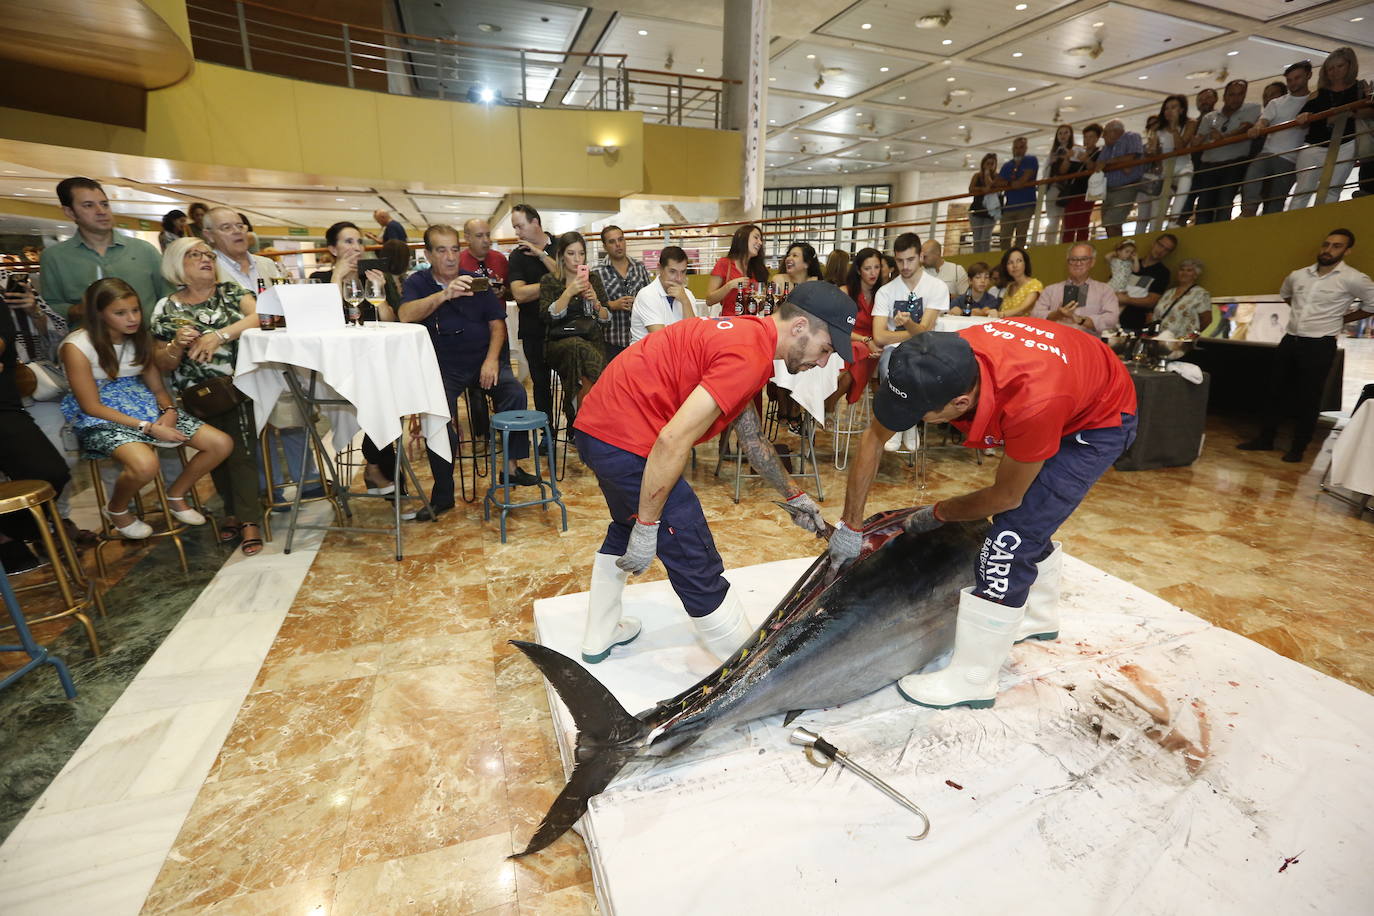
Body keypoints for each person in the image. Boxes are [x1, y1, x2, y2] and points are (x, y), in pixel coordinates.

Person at [828, 323, 1137, 709]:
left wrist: (938, 513)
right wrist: (850, 525)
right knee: (1027, 521)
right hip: (1068, 379)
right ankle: (1038, 616)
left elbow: (1006, 496)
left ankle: (973, 678)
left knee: (1009, 540)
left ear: (960, 402)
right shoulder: (937, 361)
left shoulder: (1033, 401)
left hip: (1097, 419)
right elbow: (874, 437)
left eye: (919, 415)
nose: (910, 421)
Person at [572, 282, 854, 662]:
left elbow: (753, 439)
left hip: (598, 430)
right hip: (627, 440)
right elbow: (672, 441)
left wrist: (794, 496)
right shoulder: (749, 355)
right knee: (692, 551)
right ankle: (746, 672)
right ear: (800, 326)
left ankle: (599, 634)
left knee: (626, 525)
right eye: (826, 350)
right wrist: (649, 526)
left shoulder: (749, 336)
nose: (822, 363)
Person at [60, 278, 231, 540]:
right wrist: (148, 427)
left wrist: (169, 412)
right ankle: (116, 510)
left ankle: (176, 493)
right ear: (99, 314)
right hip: (101, 415)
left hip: (144, 405)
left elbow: (158, 389)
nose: (132, 318)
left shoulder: (139, 339)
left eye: (135, 310)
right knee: (145, 465)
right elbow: (90, 405)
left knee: (220, 444)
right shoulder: (77, 345)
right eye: (120, 313)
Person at [400, 224, 537, 518]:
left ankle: (511, 469)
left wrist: (491, 360)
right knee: (436, 416)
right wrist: (444, 295)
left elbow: (497, 324)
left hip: (481, 360)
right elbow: (405, 315)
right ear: (428, 254)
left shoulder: (477, 281)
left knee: (514, 392)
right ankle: (443, 493)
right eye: (441, 250)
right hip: (440, 366)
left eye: (453, 249)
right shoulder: (418, 282)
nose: (450, 257)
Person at [150, 238, 266, 556]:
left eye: (208, 254)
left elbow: (261, 317)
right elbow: (161, 361)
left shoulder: (232, 294)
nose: (205, 259)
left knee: (242, 452)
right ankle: (232, 511)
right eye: (195, 254)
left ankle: (250, 520)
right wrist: (175, 343)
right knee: (216, 456)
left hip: (236, 385)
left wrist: (219, 335)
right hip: (194, 394)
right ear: (177, 264)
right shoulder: (166, 307)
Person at [1238, 229, 1374, 463]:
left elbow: (1372, 304)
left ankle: (1298, 448)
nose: (1328, 250)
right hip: (1291, 339)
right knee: (1275, 391)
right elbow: (1286, 295)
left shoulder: (1353, 278)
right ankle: (1265, 439)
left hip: (1320, 343)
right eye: (1326, 244)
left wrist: (1343, 319)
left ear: (1347, 250)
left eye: (1337, 246)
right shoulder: (1298, 275)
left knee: (1309, 397)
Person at [308, 221, 399, 495]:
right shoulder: (320, 280)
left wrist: (379, 293)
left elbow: (392, 322)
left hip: (371, 366)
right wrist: (337, 277)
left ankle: (377, 469)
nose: (356, 248)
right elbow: (321, 323)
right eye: (348, 242)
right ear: (332, 249)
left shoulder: (374, 276)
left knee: (389, 395)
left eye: (359, 242)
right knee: (383, 398)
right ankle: (389, 482)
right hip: (332, 370)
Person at [0, 286, 72, 572]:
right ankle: (9, 539)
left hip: (10, 401)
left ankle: (25, 529)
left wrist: (34, 311)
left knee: (51, 470)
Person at [38, 177, 169, 321]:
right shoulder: (54, 257)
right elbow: (50, 306)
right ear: (69, 212)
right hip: (89, 341)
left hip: (147, 341)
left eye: (104, 204)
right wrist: (77, 310)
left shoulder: (144, 251)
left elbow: (168, 298)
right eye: (88, 205)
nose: (101, 211)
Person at [874, 232, 949, 452]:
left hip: (927, 350)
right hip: (893, 353)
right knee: (892, 365)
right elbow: (879, 336)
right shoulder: (886, 291)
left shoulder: (936, 287)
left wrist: (907, 325)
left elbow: (925, 332)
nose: (904, 266)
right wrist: (915, 331)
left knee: (919, 368)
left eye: (910, 259)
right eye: (899, 261)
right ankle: (905, 425)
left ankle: (905, 423)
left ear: (921, 256)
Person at [539, 231, 612, 424]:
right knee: (576, 346)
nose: (577, 259)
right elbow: (546, 316)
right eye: (571, 253)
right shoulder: (550, 280)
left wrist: (596, 302)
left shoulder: (593, 279)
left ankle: (579, 422)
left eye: (581, 253)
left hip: (591, 341)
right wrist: (568, 293)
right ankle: (607, 387)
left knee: (584, 375)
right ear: (561, 254)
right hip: (558, 343)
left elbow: (606, 319)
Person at [1289, 48, 1373, 209]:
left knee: (1333, 188)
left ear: (1350, 66)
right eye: (1330, 68)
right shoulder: (1318, 93)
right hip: (1315, 144)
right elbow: (1303, 118)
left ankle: (1322, 222)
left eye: (1339, 66)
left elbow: (1370, 111)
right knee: (1303, 190)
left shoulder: (1360, 88)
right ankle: (1294, 223)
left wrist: (1348, 113)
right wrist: (1305, 117)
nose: (1335, 72)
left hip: (1346, 143)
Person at [1241, 61, 1313, 217]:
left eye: (1297, 78)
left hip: (1291, 158)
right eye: (1290, 80)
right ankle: (1248, 212)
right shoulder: (1276, 103)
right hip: (1268, 152)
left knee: (1277, 197)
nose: (1293, 83)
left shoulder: (1313, 100)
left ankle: (1271, 223)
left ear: (1308, 76)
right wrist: (1257, 127)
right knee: (1251, 178)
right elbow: (1263, 120)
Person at [507, 203, 558, 421]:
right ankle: (546, 436)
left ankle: (576, 432)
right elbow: (519, 293)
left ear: (535, 222)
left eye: (520, 226)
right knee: (541, 385)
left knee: (572, 383)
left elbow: (573, 278)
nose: (517, 233)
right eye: (514, 228)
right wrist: (554, 284)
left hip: (564, 328)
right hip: (533, 329)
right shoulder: (517, 256)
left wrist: (542, 255)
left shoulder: (561, 245)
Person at [1193, 79, 1261, 224]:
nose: (1235, 99)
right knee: (1204, 204)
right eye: (1231, 95)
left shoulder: (1252, 108)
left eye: (1240, 94)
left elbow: (1244, 129)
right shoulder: (1210, 117)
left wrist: (1221, 138)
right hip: (1209, 165)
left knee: (1224, 202)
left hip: (1233, 164)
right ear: (1224, 97)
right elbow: (1198, 139)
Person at [832, 246, 884, 407]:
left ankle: (827, 407)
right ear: (859, 271)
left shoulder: (883, 293)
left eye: (876, 267)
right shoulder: (845, 292)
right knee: (857, 352)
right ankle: (828, 407)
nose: (873, 272)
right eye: (867, 268)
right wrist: (866, 340)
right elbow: (839, 327)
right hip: (847, 339)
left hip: (874, 346)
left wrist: (874, 343)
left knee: (856, 362)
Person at [1031, 244, 1120, 334]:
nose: (1078, 263)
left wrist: (1078, 319)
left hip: (1088, 344)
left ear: (1092, 262)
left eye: (1084, 259)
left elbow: (1111, 320)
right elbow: (1035, 315)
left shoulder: (1105, 290)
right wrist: (1057, 314)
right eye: (1073, 259)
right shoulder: (1050, 290)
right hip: (1055, 342)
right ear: (1067, 262)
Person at [593, 225, 650, 362]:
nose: (618, 244)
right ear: (605, 246)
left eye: (621, 239)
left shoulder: (639, 267)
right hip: (611, 340)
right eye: (612, 242)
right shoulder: (597, 272)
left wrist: (639, 301)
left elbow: (651, 297)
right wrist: (612, 305)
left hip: (639, 339)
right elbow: (592, 307)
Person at [629, 246, 696, 342]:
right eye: (672, 272)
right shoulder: (646, 295)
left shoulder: (687, 295)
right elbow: (662, 339)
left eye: (683, 272)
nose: (679, 279)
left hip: (675, 354)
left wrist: (685, 302)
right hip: (647, 355)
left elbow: (693, 335)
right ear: (660, 268)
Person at [203, 207, 280, 291]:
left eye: (240, 226)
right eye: (226, 227)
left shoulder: (267, 264)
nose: (237, 231)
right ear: (209, 236)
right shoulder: (206, 270)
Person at [1115, 233, 1176, 331]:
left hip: (1132, 324)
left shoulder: (1162, 273)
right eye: (1160, 245)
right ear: (1153, 243)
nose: (1161, 250)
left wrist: (1126, 299)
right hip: (1108, 319)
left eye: (1166, 250)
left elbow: (1151, 301)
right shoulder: (1130, 262)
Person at [1152, 95, 1198, 227]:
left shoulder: (1190, 123)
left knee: (1178, 204)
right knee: (1158, 211)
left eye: (1173, 107)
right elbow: (1156, 154)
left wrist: (1174, 130)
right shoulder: (1158, 129)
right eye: (1166, 108)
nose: (1169, 111)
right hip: (1165, 172)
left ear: (1182, 110)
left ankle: (1172, 226)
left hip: (1184, 168)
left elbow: (1181, 146)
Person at [706, 224, 769, 316]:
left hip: (752, 323)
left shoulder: (759, 269)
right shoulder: (724, 264)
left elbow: (761, 307)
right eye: (756, 237)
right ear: (742, 238)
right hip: (730, 324)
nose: (760, 243)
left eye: (761, 240)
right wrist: (730, 285)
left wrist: (763, 299)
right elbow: (709, 300)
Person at [1096, 120, 1145, 238]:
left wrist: (1109, 162)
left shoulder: (1131, 137)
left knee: (1112, 221)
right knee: (1108, 222)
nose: (1103, 136)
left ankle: (1119, 247)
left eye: (1105, 133)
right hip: (1108, 189)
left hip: (1126, 187)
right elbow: (1099, 164)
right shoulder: (1107, 148)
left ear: (1115, 131)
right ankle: (1117, 246)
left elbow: (1131, 158)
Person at [1179, 89, 1219, 225]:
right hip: (1193, 166)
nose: (1204, 102)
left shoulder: (1219, 119)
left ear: (1215, 100)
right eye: (1200, 100)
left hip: (1210, 166)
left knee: (1206, 203)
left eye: (1207, 98)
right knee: (1185, 202)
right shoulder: (1192, 123)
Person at [1058, 123, 1100, 243]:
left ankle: (1082, 247)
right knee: (1069, 223)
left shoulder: (1098, 153)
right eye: (1086, 137)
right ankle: (1066, 248)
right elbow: (1063, 171)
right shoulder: (1078, 152)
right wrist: (1068, 157)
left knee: (1083, 221)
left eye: (1091, 137)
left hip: (1087, 192)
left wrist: (1087, 160)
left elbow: (1096, 169)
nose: (1087, 140)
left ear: (1097, 138)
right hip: (1073, 191)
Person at [1149, 259, 1211, 338]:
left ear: (1195, 275)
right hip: (1159, 338)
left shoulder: (1201, 294)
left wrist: (1191, 336)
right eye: (1182, 270)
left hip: (1180, 342)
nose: (1184, 273)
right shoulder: (1168, 293)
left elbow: (1207, 320)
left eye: (1189, 270)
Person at [997, 137, 1039, 251]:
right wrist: (1011, 183)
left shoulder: (1031, 160)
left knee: (1021, 236)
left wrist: (1009, 184)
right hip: (1010, 205)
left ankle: (1019, 257)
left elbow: (1023, 180)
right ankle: (1006, 259)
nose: (1018, 150)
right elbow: (998, 182)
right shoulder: (1008, 165)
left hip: (1026, 204)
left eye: (1021, 147)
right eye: (1016, 148)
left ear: (1025, 149)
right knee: (1004, 236)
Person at [1043, 125, 1078, 242]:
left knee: (1066, 221)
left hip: (1068, 189)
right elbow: (1046, 172)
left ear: (1070, 134)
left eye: (1066, 133)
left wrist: (1068, 156)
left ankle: (1063, 244)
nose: (1063, 136)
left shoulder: (1074, 151)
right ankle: (1050, 245)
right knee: (1052, 220)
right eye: (1060, 133)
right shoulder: (1052, 153)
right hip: (1053, 188)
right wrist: (1052, 161)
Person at [995, 247, 1041, 318]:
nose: (1015, 266)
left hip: (1024, 326)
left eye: (1019, 261)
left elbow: (1022, 310)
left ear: (1025, 263)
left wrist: (1000, 314)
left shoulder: (1034, 284)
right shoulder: (1010, 286)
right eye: (1010, 263)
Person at [967, 153, 1000, 253]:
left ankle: (985, 259)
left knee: (985, 239)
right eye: (987, 163)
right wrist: (982, 189)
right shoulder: (977, 176)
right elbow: (971, 189)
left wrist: (987, 175)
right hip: (977, 210)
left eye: (992, 163)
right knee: (977, 239)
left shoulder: (997, 177)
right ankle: (977, 259)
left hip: (991, 212)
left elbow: (992, 188)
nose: (989, 166)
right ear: (983, 164)